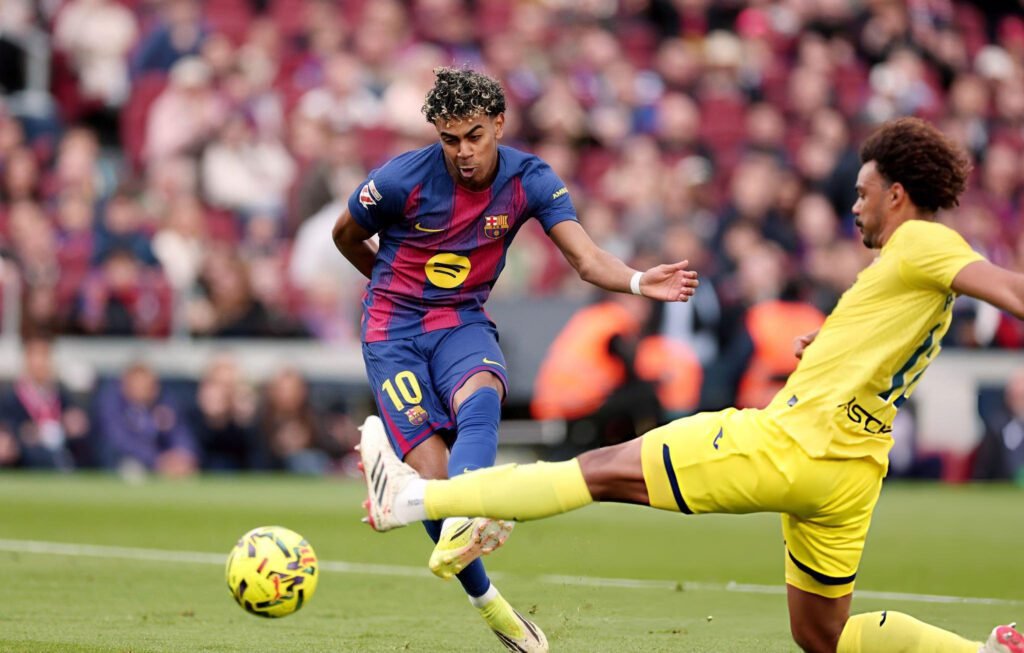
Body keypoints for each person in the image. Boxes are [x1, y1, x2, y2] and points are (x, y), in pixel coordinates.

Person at [357, 117, 1024, 653]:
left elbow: (1008, 288)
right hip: (850, 476)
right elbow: (891, 337)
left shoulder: (922, 244)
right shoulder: (906, 272)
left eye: (861, 191)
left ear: (896, 194)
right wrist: (830, 343)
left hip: (793, 445)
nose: (854, 207)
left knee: (598, 469)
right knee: (821, 634)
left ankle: (417, 499)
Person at [333, 66, 698, 652]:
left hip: (461, 320)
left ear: (499, 124)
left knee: (483, 392)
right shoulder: (402, 179)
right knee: (430, 470)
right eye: (450, 140)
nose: (464, 153)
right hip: (391, 330)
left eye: (474, 136)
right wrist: (388, 287)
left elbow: (584, 258)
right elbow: (344, 233)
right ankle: (491, 605)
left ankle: (466, 516)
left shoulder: (531, 179)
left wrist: (635, 281)